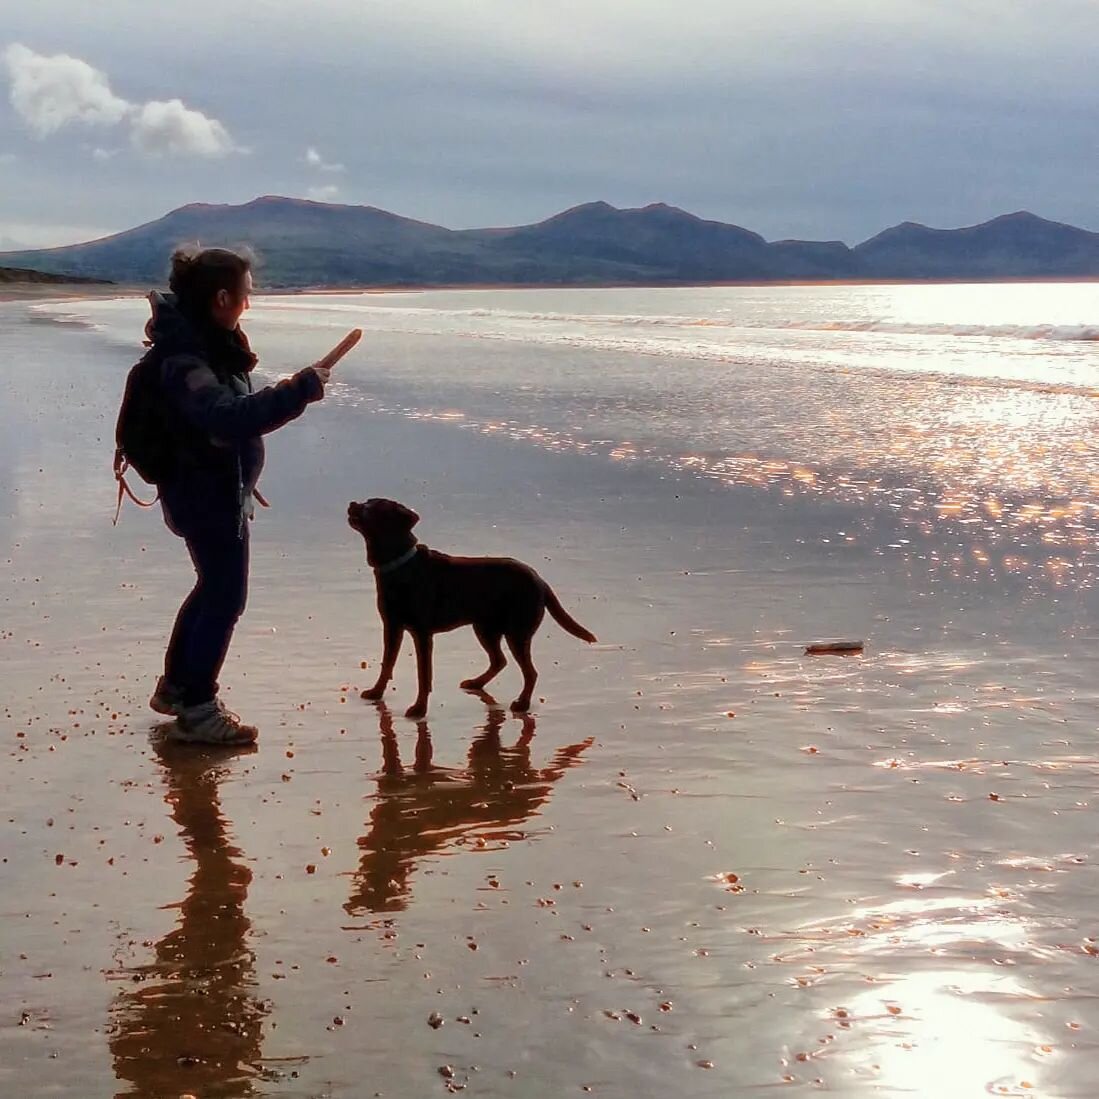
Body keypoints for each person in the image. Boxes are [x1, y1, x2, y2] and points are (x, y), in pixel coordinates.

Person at [145, 246, 332, 745]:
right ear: (223, 297)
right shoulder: (186, 358)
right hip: (205, 496)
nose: (248, 304)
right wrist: (299, 390)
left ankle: (177, 689)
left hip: (213, 490)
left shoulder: (204, 343)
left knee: (213, 587)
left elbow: (229, 416)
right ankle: (199, 709)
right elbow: (226, 417)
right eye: (245, 294)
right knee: (226, 595)